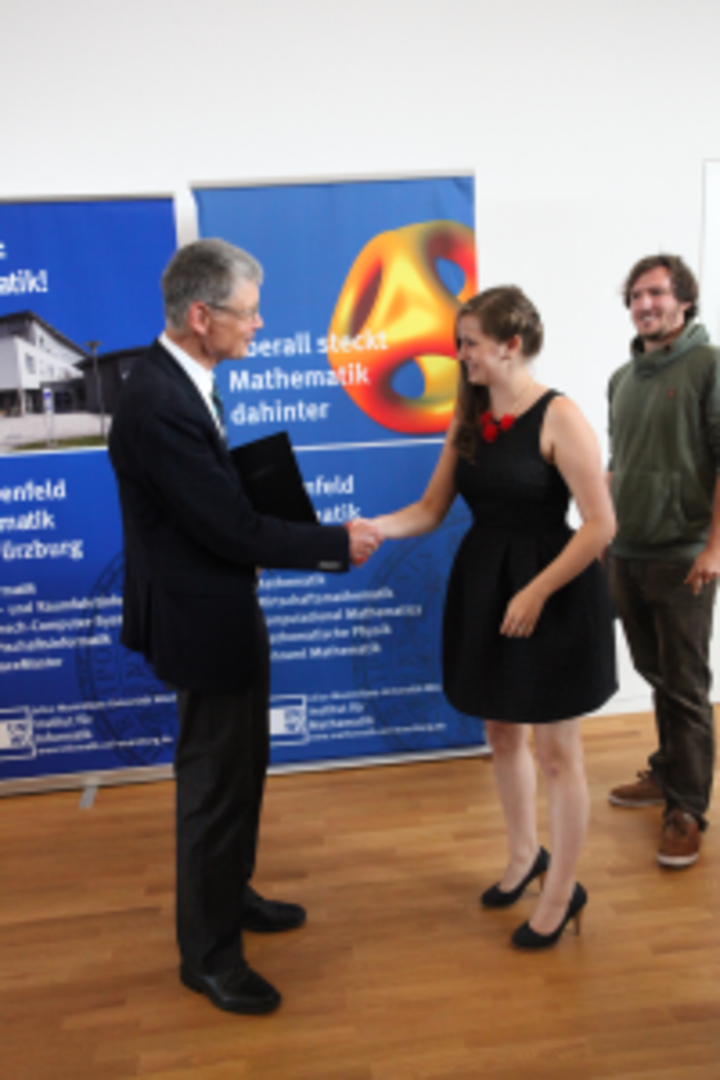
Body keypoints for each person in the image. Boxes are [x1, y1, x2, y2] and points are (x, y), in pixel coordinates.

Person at [108, 239, 379, 1015]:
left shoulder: (179, 383)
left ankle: (231, 894)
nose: (259, 325)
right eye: (249, 312)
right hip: (201, 622)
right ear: (202, 317)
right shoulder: (159, 402)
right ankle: (210, 957)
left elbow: (215, 504)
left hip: (222, 608)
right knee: (213, 787)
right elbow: (229, 528)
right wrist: (334, 543)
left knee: (243, 767)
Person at [371, 287, 617, 949]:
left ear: (511, 345)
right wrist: (371, 529)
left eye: (470, 343)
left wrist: (535, 592)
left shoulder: (560, 415)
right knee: (502, 734)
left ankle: (561, 892)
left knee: (558, 754)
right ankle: (523, 857)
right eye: (460, 344)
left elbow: (600, 526)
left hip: (553, 592)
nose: (461, 355)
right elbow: (429, 509)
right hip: (487, 586)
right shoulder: (469, 416)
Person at [607, 254, 720, 869]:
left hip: (684, 556)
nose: (643, 304)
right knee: (657, 673)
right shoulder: (622, 379)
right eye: (635, 295)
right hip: (626, 552)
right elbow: (619, 463)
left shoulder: (709, 366)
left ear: (684, 299)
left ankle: (687, 810)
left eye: (655, 293)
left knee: (685, 686)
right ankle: (668, 770)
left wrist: (715, 547)